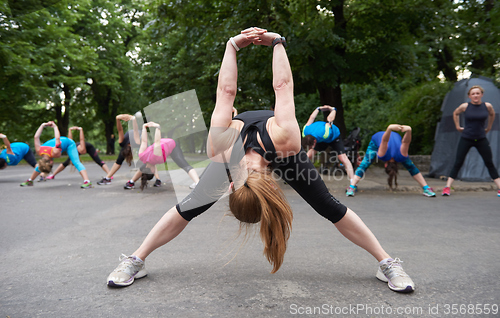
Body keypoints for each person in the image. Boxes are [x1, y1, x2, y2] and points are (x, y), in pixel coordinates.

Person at [106, 27, 415, 293]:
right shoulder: (286, 143)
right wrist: (276, 42)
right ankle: (137, 259)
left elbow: (226, 92)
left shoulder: (223, 148)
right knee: (192, 206)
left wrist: (233, 46)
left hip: (251, 140)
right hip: (275, 145)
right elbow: (282, 87)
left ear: (231, 184)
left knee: (326, 207)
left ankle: (386, 262)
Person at [347, 124, 436, 197]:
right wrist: (405, 130)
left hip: (379, 139)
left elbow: (391, 141)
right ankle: (426, 188)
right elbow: (389, 141)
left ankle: (352, 187)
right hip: (383, 138)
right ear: (385, 165)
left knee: (365, 164)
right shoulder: (398, 156)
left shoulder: (397, 156)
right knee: (411, 167)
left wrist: (406, 130)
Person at [442, 85, 500, 197]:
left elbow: (492, 115)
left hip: (481, 138)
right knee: (458, 162)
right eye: (473, 94)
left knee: (489, 163)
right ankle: (447, 187)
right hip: (466, 138)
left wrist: (488, 128)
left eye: (478, 93)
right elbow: (455, 113)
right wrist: (458, 127)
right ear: (469, 96)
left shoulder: (487, 106)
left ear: (481, 94)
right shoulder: (465, 106)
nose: (475, 95)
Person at [302, 105, 355, 196]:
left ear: (314, 142)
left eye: (311, 146)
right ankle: (298, 177)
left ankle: (352, 185)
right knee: (307, 156)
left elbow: (330, 119)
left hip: (333, 137)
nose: (311, 148)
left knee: (343, 158)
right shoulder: (305, 132)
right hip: (319, 139)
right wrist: (318, 108)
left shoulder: (325, 132)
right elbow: (312, 118)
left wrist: (333, 109)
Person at [20, 121, 92, 188]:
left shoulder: (55, 152)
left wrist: (55, 126)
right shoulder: (39, 151)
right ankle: (30, 180)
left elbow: (58, 138)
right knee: (43, 165)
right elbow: (36, 137)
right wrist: (42, 125)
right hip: (54, 148)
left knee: (76, 162)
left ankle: (87, 181)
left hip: (69, 144)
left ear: (51, 162)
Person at [41, 126, 110, 180]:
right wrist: (70, 130)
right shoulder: (72, 150)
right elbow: (69, 140)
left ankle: (109, 174)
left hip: (89, 148)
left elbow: (82, 139)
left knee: (98, 161)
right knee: (65, 163)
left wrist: (81, 130)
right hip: (76, 147)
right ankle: (53, 175)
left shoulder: (82, 148)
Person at [97, 114, 139, 185]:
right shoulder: (130, 142)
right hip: (136, 134)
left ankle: (107, 178)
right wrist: (118, 119)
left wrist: (119, 119)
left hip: (142, 135)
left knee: (147, 160)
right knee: (118, 161)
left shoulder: (136, 142)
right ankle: (108, 178)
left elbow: (123, 130)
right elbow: (121, 130)